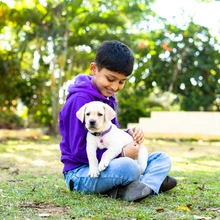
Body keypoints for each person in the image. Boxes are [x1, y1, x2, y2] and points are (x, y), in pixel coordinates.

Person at [59, 40, 177, 202]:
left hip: (109, 165)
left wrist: (128, 134)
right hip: (82, 172)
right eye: (110, 79)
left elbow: (110, 135)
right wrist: (122, 154)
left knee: (161, 158)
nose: (114, 87)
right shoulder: (80, 101)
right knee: (129, 167)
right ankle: (147, 182)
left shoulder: (108, 99)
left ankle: (142, 186)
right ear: (94, 69)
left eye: (121, 82)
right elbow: (77, 150)